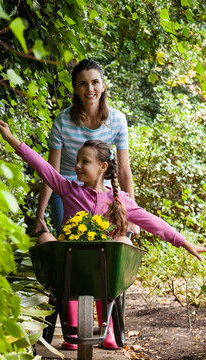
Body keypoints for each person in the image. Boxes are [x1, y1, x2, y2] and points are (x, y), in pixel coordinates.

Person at [0, 118, 206, 350]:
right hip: (70, 267)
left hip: (104, 272)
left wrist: (186, 243)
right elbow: (42, 166)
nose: (77, 165)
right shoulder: (68, 189)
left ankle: (110, 331)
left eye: (84, 161)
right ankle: (73, 326)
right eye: (77, 160)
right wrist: (11, 139)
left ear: (102, 167)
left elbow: (154, 223)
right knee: (46, 238)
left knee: (122, 241)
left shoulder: (119, 200)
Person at [33, 59, 139, 240]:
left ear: (103, 86)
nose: (90, 89)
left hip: (101, 187)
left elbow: (123, 170)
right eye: (83, 84)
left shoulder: (117, 120)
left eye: (95, 82)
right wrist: (40, 214)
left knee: (109, 240)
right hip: (67, 188)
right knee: (71, 240)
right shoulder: (62, 122)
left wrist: (133, 214)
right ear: (75, 88)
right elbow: (51, 171)